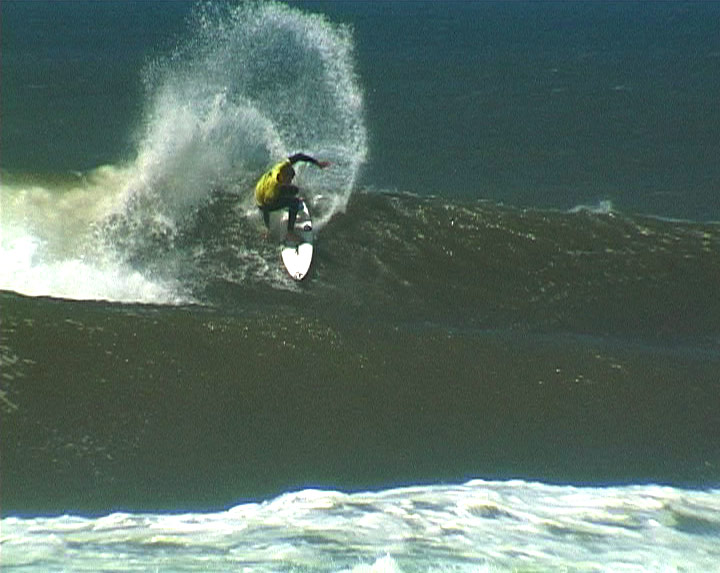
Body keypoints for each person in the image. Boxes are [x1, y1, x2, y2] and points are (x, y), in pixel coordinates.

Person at [255, 153, 330, 234]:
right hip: (262, 201)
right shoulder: (274, 189)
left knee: (294, 190)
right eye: (289, 180)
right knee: (294, 203)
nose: (290, 182)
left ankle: (288, 205)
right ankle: (290, 233)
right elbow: (265, 208)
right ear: (285, 177)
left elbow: (299, 156)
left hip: (262, 187)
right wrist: (267, 228)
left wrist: (317, 163)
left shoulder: (282, 166)